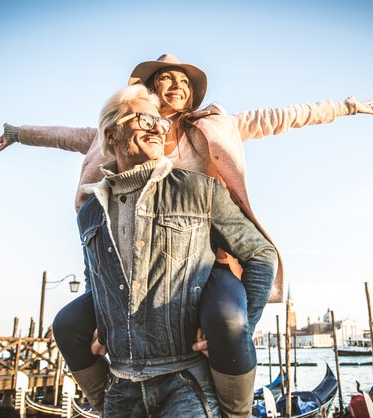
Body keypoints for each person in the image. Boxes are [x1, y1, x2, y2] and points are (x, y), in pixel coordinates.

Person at [0, 54, 373, 417]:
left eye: (184, 81)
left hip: (203, 257)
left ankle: (234, 408)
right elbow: (62, 136)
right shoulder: (114, 135)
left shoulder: (210, 128)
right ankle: (105, 398)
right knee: (68, 325)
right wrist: (16, 132)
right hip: (132, 259)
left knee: (229, 321)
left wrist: (343, 107)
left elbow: (279, 117)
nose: (177, 85)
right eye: (166, 78)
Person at [76, 83, 277, 417]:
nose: (158, 127)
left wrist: (241, 333)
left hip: (187, 381)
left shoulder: (200, 191)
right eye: (144, 119)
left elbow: (260, 254)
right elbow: (93, 277)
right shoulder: (90, 213)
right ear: (111, 135)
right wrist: (100, 319)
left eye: (162, 122)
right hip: (120, 386)